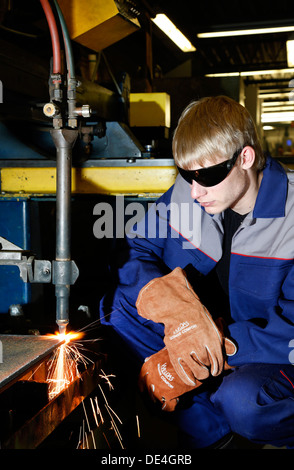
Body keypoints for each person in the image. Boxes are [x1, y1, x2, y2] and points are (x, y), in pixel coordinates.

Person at [99, 95, 294, 449]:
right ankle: (215, 438)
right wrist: (179, 313)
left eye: (206, 175)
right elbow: (136, 249)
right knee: (121, 306)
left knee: (246, 402)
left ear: (245, 158)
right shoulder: (189, 196)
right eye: (186, 174)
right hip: (205, 331)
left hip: (268, 353)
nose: (195, 190)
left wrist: (214, 345)